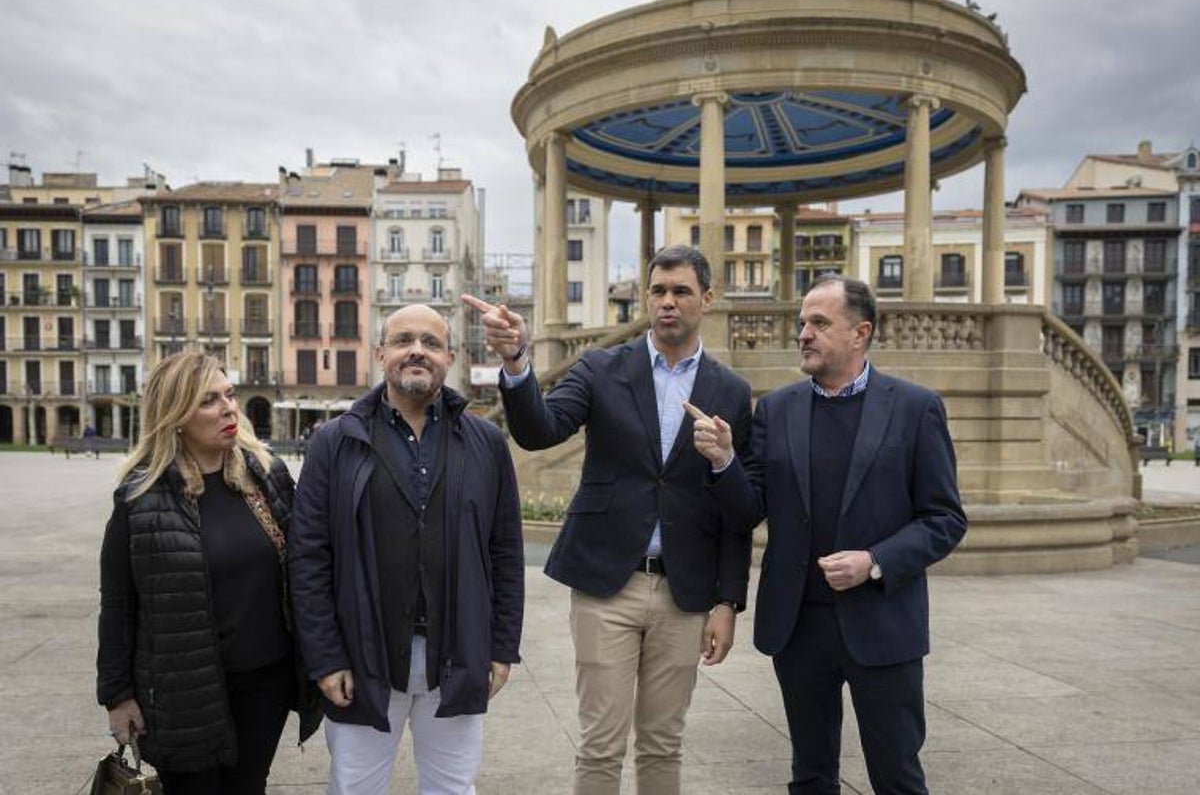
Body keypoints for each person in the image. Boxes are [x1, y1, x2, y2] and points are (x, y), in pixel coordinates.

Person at [464, 244, 753, 795]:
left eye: (681, 292)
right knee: (601, 745)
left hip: (685, 591)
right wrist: (517, 363)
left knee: (663, 744)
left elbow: (738, 514)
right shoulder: (602, 367)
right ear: (647, 297)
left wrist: (727, 600)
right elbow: (539, 431)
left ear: (707, 299)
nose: (667, 302)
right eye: (658, 291)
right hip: (607, 587)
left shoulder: (731, 393)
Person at [692, 274, 968, 794]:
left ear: (860, 333)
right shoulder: (776, 409)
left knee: (898, 776)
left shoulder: (915, 408)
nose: (804, 334)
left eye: (819, 323)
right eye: (802, 323)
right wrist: (725, 460)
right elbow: (748, 510)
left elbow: (945, 519)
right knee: (811, 774)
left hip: (884, 623)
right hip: (799, 627)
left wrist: (874, 561)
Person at [289, 304, 524, 794]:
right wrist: (326, 657)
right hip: (362, 657)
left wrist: (500, 648)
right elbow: (308, 557)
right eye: (403, 340)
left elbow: (505, 552)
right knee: (354, 787)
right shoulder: (335, 443)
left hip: (457, 654)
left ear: (450, 357)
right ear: (381, 354)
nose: (417, 350)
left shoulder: (485, 442)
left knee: (452, 788)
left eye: (431, 342)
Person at [97, 350, 322, 794]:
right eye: (208, 401)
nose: (228, 408)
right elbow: (118, 603)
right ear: (176, 415)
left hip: (266, 682)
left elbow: (306, 564)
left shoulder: (267, 476)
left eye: (230, 394)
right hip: (184, 688)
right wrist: (117, 695)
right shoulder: (141, 498)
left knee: (248, 787)